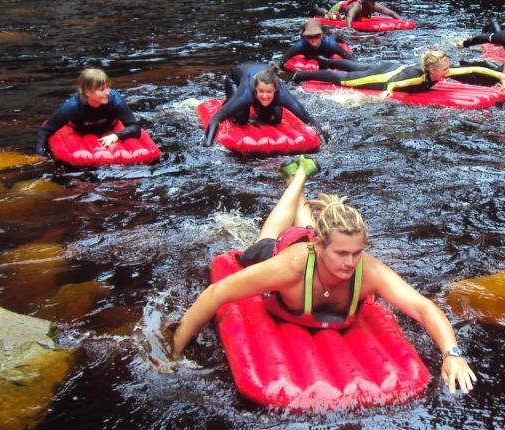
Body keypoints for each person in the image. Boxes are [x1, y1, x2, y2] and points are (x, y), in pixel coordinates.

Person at [169, 158, 477, 393]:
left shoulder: (366, 270)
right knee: (267, 237)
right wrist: (175, 352)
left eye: (356, 252)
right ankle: (298, 176)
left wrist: (452, 353)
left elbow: (422, 307)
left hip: (316, 238)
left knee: (309, 226)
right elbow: (216, 294)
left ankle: (301, 183)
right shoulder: (288, 268)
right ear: (319, 246)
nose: (350, 262)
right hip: (286, 249)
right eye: (342, 254)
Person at [291, 49, 505, 96]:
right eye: (444, 70)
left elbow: (472, 68)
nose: (448, 72)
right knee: (346, 79)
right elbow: (394, 85)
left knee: (359, 66)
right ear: (432, 70)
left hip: (392, 65)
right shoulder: (417, 77)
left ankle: (325, 59)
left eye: (447, 68)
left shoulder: (438, 72)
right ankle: (301, 75)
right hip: (386, 76)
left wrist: (499, 75)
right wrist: (387, 94)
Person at [202, 63, 325, 146]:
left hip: (264, 77)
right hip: (235, 79)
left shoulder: (283, 95)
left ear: (275, 90)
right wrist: (207, 145)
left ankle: (257, 105)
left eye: (269, 92)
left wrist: (324, 144)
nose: (265, 95)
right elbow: (216, 119)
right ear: (255, 89)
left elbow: (310, 121)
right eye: (261, 91)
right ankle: (230, 103)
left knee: (275, 118)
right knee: (240, 118)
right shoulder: (246, 94)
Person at [35, 67, 142, 155]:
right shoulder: (72, 107)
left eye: (107, 87)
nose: (108, 93)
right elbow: (44, 132)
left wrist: (116, 135)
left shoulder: (115, 101)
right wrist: (41, 156)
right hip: (80, 130)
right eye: (101, 89)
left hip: (110, 128)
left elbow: (135, 128)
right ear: (87, 92)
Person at [316, 0, 403, 30]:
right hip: (339, 9)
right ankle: (317, 8)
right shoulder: (356, 6)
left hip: (346, 6)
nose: (373, 2)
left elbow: (391, 13)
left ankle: (326, 4)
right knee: (326, 14)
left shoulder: (375, 6)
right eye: (370, 0)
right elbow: (349, 18)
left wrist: (402, 22)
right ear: (364, 0)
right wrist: (350, 32)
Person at [279, 19, 353, 65]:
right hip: (314, 57)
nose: (313, 39)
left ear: (321, 35)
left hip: (329, 45)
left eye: (317, 36)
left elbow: (350, 59)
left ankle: (338, 34)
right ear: (305, 37)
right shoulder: (300, 45)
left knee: (335, 37)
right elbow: (281, 61)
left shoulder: (330, 44)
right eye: (309, 36)